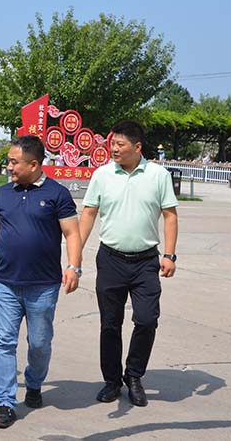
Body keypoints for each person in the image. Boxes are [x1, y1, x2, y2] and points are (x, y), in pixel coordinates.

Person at [0, 135, 82, 428]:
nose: (8, 166)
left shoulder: (57, 194)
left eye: (14, 162)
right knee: (4, 342)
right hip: (6, 283)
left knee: (40, 343)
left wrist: (74, 267)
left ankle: (34, 382)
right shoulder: (3, 194)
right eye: (9, 161)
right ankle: (5, 403)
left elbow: (72, 233)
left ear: (34, 164)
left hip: (43, 285)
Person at [79, 120, 178, 408]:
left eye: (120, 144)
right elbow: (89, 213)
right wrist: (75, 254)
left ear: (137, 147)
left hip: (146, 262)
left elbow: (170, 215)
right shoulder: (102, 175)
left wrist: (169, 255)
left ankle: (134, 376)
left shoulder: (158, 175)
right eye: (112, 143)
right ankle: (111, 381)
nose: (114, 149)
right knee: (110, 324)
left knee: (146, 320)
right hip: (110, 259)